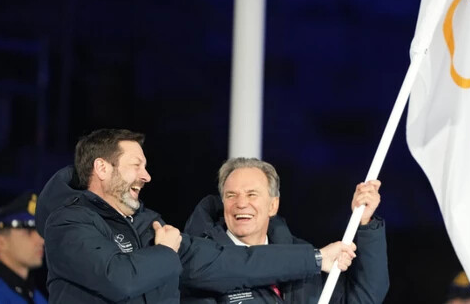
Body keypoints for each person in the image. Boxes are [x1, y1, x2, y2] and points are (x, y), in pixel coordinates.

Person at [35, 129, 356, 304]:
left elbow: (228, 262)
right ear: (102, 168)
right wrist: (163, 251)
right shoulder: (67, 223)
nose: (146, 176)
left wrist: (314, 259)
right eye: (136, 165)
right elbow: (118, 279)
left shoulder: (150, 225)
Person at [182, 157, 389, 303]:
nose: (241, 203)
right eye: (231, 195)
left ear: (273, 205)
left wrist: (365, 222)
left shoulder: (303, 257)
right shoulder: (202, 263)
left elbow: (363, 299)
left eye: (252, 194)